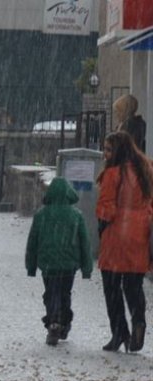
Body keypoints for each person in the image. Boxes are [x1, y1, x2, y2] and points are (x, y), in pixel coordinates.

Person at [95, 131, 153, 352]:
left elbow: (107, 209)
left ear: (118, 151)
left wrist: (101, 225)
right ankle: (139, 322)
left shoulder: (113, 174)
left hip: (117, 236)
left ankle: (119, 332)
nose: (105, 154)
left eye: (109, 149)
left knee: (111, 286)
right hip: (140, 235)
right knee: (133, 285)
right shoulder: (146, 170)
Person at [25, 177, 93, 346]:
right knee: (64, 293)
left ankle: (53, 320)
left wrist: (31, 266)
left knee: (50, 293)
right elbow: (84, 242)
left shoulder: (41, 215)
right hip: (68, 265)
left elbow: (32, 242)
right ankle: (63, 322)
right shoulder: (76, 215)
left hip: (48, 263)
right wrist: (87, 267)